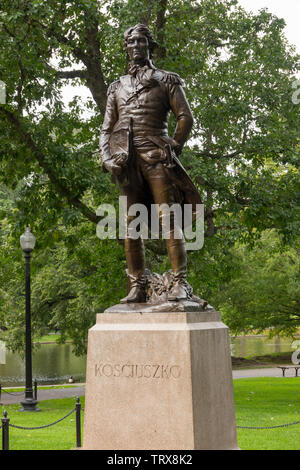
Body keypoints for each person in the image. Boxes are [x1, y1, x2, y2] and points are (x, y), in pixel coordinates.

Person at [100, 24, 201, 304]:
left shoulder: (167, 80)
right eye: (131, 42)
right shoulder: (116, 88)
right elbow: (106, 129)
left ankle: (179, 282)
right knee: (131, 225)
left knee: (168, 220)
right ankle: (137, 285)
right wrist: (107, 159)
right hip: (127, 163)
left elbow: (185, 118)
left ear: (149, 46)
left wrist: (174, 147)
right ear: (126, 47)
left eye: (141, 42)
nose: (136, 47)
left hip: (157, 156)